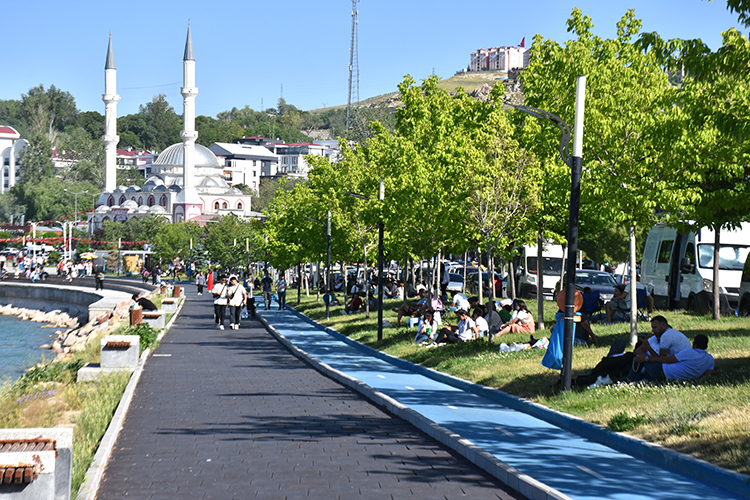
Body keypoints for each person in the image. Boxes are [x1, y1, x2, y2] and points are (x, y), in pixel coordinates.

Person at [627, 334, 714, 383]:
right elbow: (707, 375)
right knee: (647, 374)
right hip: (673, 379)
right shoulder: (710, 359)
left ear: (693, 344)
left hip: (663, 371)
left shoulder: (689, 352)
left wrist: (646, 358)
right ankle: (641, 380)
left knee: (638, 358)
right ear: (706, 346)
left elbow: (667, 360)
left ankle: (628, 380)